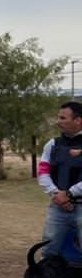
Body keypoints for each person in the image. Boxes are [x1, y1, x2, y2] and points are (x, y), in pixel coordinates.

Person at [38, 100, 82, 262]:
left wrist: (70, 193)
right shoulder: (53, 145)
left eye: (63, 118)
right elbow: (43, 172)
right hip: (58, 206)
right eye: (58, 118)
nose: (59, 122)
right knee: (49, 249)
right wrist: (57, 194)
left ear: (78, 120)